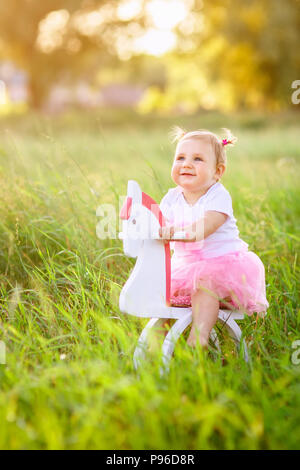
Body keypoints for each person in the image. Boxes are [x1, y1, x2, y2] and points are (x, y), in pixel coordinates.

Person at [159, 127, 269, 348]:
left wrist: (176, 232)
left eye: (198, 159)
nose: (186, 164)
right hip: (186, 267)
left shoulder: (217, 195)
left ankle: (198, 337)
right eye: (180, 157)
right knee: (162, 290)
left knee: (204, 285)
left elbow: (205, 226)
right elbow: (159, 225)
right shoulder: (171, 198)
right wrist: (154, 228)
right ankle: (157, 341)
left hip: (224, 267)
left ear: (217, 171)